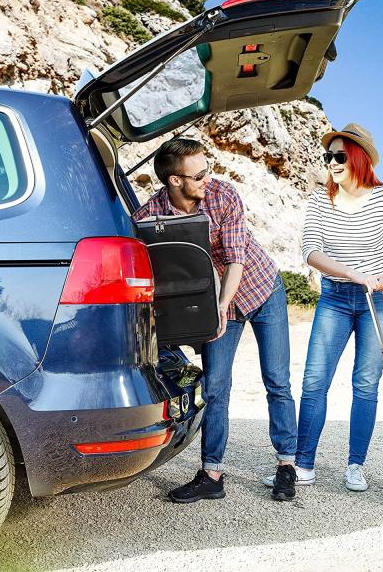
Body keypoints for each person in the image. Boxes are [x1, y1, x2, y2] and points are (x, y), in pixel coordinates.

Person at [132, 138, 298, 502]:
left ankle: (287, 465)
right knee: (216, 387)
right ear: (175, 181)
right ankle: (212, 474)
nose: (208, 178)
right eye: (199, 175)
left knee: (277, 380)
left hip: (260, 289)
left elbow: (236, 259)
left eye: (208, 170)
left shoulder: (223, 195)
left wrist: (221, 306)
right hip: (215, 304)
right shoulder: (151, 215)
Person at [265, 122, 383, 492]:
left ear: (359, 158)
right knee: (315, 380)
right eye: (328, 156)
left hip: (378, 300)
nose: (331, 163)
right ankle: (303, 464)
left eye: (339, 156)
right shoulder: (321, 200)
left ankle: (355, 465)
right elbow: (310, 251)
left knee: (365, 383)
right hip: (335, 297)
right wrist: (352, 273)